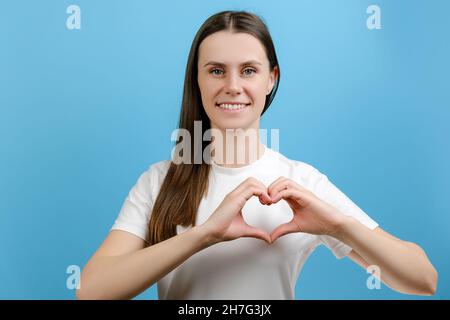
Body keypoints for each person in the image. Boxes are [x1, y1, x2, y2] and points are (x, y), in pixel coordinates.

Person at [76, 10, 437, 300]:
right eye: (216, 70)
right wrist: (203, 235)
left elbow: (422, 279)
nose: (232, 85)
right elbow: (92, 290)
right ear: (197, 80)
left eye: (249, 70)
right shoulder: (160, 181)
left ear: (271, 79)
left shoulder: (303, 183)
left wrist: (338, 225)